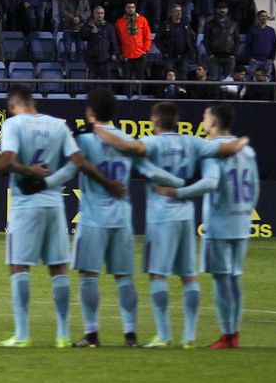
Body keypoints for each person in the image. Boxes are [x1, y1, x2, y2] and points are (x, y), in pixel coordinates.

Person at [0, 85, 122, 348]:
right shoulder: (58, 125)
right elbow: (78, 161)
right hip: (54, 203)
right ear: (32, 101)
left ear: (13, 105)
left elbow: (7, 159)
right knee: (57, 268)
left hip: (25, 204)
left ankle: (22, 334)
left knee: (19, 267)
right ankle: (62, 334)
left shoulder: (13, 125)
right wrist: (109, 184)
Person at [91, 100, 247, 348]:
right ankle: (189, 337)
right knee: (189, 277)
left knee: (158, 275)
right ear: (176, 120)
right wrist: (241, 141)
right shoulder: (193, 142)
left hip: (161, 216)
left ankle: (163, 336)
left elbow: (128, 147)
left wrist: (99, 130)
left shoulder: (152, 142)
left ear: (155, 121)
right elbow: (223, 149)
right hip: (186, 214)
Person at [66, 89, 183, 348]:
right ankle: (130, 335)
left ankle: (92, 334)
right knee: (124, 277)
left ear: (91, 112)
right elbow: (150, 171)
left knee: (88, 275)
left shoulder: (84, 140)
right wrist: (178, 184)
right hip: (122, 219)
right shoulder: (130, 140)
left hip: (93, 218)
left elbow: (68, 167)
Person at [173, 104, 259, 349]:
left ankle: (227, 335)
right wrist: (246, 212)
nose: (203, 120)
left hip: (220, 223)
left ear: (213, 122)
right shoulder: (248, 152)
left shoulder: (212, 150)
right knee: (234, 278)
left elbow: (209, 184)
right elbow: (254, 186)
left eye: (205, 117)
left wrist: (178, 192)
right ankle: (234, 333)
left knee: (221, 279)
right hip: (241, 221)